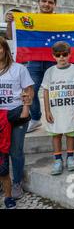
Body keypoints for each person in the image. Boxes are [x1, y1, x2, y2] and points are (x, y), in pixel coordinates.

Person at [11, 0, 57, 134]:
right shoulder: (29, 19)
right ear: (39, 2)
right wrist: (10, 22)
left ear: (54, 5)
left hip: (54, 62)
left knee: (55, 93)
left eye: (50, 2)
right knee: (30, 91)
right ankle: (36, 119)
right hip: (35, 62)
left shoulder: (60, 20)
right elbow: (10, 35)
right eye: (44, 1)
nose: (47, 4)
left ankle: (56, 120)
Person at [42, 41, 74, 175]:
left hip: (71, 109)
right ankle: (58, 159)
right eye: (58, 55)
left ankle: (71, 157)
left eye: (64, 54)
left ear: (69, 54)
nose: (61, 58)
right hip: (55, 110)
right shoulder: (50, 72)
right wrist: (47, 110)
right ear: (53, 56)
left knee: (71, 132)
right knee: (56, 134)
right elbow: (45, 91)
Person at [0, 37, 33, 204]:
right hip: (0, 117)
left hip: (17, 113)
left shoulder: (18, 69)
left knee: (15, 150)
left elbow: (29, 90)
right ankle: (4, 178)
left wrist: (27, 104)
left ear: (5, 49)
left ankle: (17, 182)